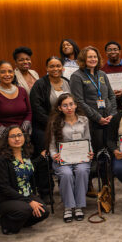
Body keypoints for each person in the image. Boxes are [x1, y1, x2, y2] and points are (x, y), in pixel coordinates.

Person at [0, 126, 50, 234]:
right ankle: (6, 224)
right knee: (26, 209)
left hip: (25, 194)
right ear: (6, 139)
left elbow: (27, 168)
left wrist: (41, 157)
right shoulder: (1, 159)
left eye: (19, 135)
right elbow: (5, 188)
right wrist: (29, 201)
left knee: (44, 212)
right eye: (13, 136)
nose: (17, 139)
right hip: (6, 198)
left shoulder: (25, 154)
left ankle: (21, 221)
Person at [47, 93, 92, 222]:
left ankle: (78, 206)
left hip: (81, 157)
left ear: (76, 105)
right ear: (60, 108)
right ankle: (68, 207)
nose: (69, 108)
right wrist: (54, 155)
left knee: (82, 170)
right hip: (63, 159)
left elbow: (88, 140)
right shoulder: (55, 122)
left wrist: (90, 152)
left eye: (71, 104)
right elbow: (51, 145)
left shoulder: (84, 120)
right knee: (66, 173)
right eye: (65, 105)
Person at [70, 46, 116, 158]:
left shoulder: (102, 74)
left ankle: (108, 173)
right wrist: (97, 118)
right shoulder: (76, 76)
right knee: (97, 151)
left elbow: (111, 95)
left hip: (108, 118)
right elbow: (79, 101)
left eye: (95, 57)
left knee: (110, 149)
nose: (93, 59)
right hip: (91, 121)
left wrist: (112, 114)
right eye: (89, 57)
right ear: (83, 59)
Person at [29, 56, 71, 153]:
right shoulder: (40, 84)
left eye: (58, 66)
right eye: (52, 66)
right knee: (48, 155)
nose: (55, 69)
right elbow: (36, 107)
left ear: (63, 68)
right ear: (47, 68)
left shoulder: (67, 82)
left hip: (67, 124)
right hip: (45, 126)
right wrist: (53, 123)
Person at [0, 61, 32, 142]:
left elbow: (29, 112)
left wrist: (23, 130)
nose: (7, 74)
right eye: (3, 72)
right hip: (3, 138)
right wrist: (9, 134)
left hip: (23, 134)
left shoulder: (22, 91)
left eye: (10, 71)